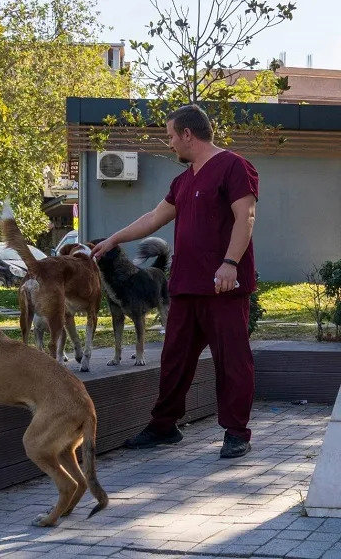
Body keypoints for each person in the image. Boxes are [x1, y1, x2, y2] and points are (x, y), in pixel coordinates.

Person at [92, 104, 258, 459]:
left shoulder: (234, 166)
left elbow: (246, 215)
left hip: (223, 286)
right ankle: (164, 426)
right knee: (174, 359)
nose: (169, 143)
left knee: (232, 360)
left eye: (170, 135)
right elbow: (154, 217)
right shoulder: (182, 181)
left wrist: (230, 263)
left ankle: (236, 432)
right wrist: (114, 239)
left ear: (187, 134)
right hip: (184, 286)